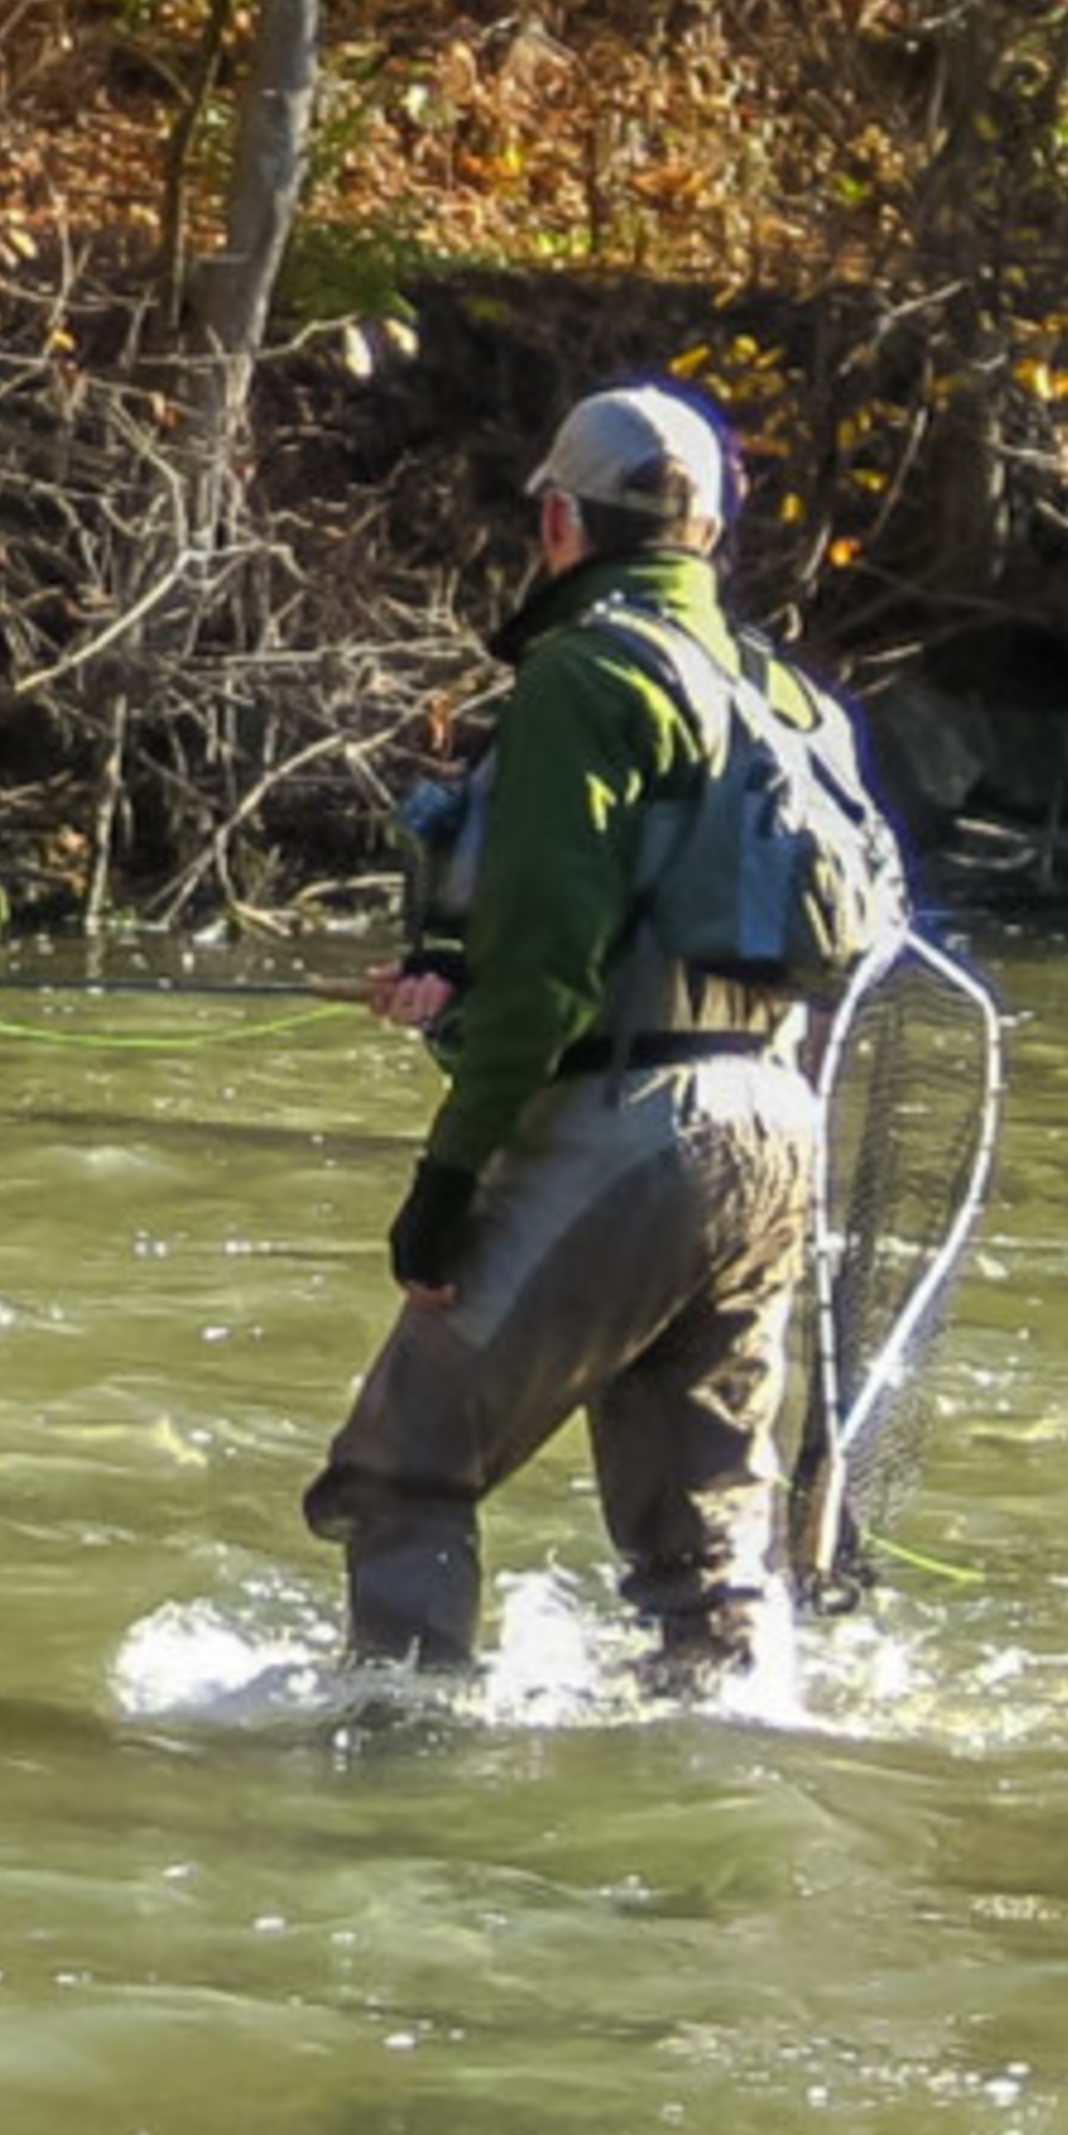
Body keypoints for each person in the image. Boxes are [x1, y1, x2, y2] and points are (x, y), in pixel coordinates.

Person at [302, 381, 822, 1685]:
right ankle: (727, 1752)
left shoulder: (584, 678)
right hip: (773, 1123)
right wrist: (455, 985)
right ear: (708, 533)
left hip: (633, 1135)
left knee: (405, 1463)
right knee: (703, 1547)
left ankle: (393, 1761)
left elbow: (543, 973)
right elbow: (679, 925)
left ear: (558, 522)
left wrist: (448, 1180)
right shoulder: (782, 696)